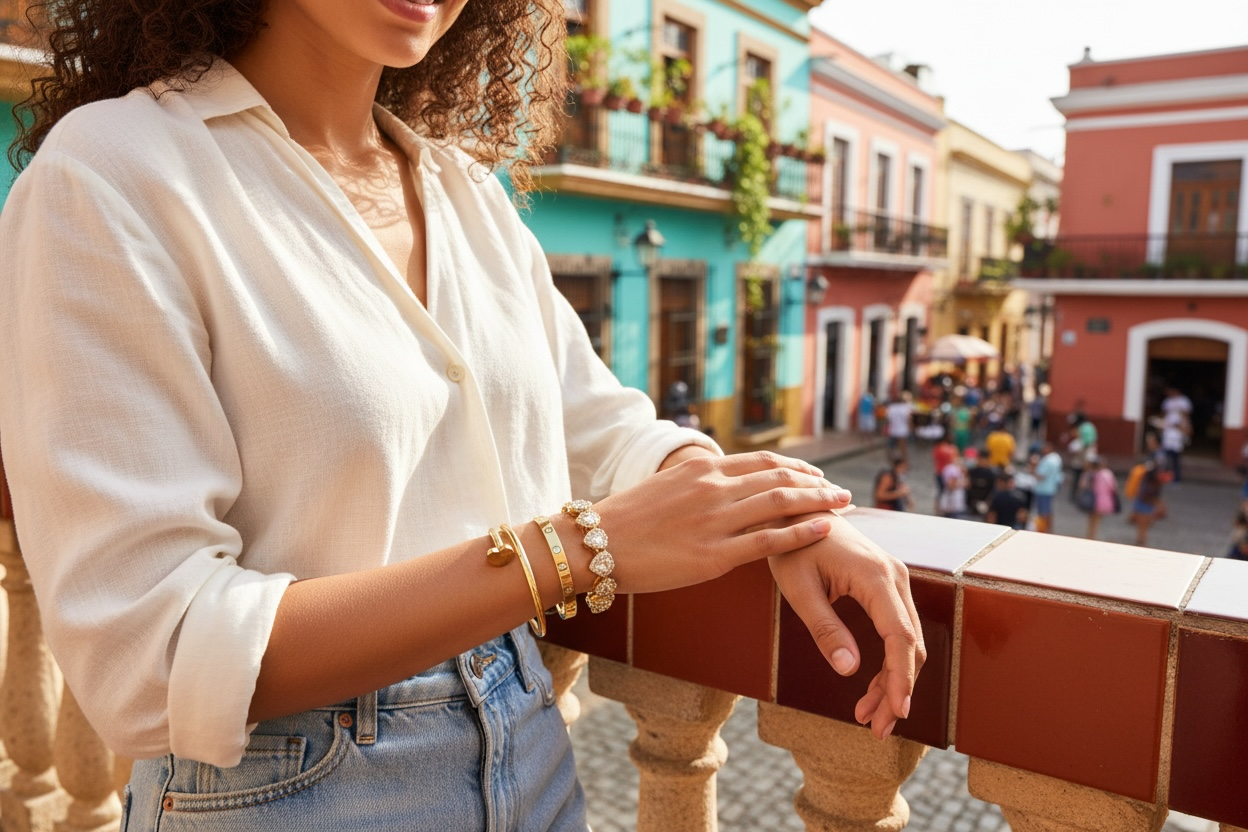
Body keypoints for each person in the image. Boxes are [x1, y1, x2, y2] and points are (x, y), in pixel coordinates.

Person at [0, 3, 925, 829]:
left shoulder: (466, 193)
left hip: (532, 746)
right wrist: (571, 550)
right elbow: (152, 657)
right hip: (282, 790)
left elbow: (604, 432)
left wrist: (785, 514)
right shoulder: (114, 172)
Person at [1078, 455, 1118, 540]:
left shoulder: (1088, 474)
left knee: (1091, 520)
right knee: (1097, 521)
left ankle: (1090, 536)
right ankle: (1093, 536)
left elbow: (1082, 485)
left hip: (1091, 500)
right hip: (1104, 501)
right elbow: (1113, 487)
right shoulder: (1107, 474)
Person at [1032, 440, 1064, 533]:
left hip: (1043, 489)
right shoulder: (1056, 458)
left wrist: (1033, 468)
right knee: (1048, 510)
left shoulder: (1048, 461)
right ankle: (1049, 529)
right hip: (1051, 487)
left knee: (1043, 512)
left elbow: (1041, 476)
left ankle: (1043, 530)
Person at [965, 449, 998, 518]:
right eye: (981, 459)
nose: (983, 461)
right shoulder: (972, 472)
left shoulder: (991, 474)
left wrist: (987, 503)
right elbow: (968, 486)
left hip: (984, 504)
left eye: (985, 459)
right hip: (971, 503)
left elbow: (993, 490)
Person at [885, 393, 915, 459]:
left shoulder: (891, 408)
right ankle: (904, 462)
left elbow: (888, 420)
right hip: (902, 431)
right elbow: (909, 419)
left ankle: (892, 462)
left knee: (890, 448)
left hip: (893, 430)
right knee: (903, 448)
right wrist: (911, 429)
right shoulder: (905, 408)